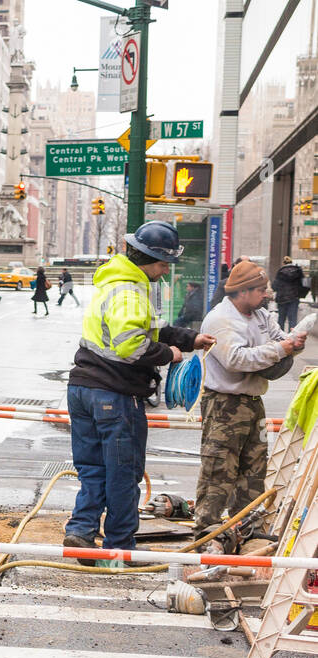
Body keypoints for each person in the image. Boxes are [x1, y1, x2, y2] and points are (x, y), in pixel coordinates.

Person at [63, 221, 216, 565]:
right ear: (148, 258)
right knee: (123, 473)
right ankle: (119, 545)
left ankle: (82, 531)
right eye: (163, 264)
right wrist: (171, 355)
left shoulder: (113, 283)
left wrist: (189, 339)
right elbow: (132, 345)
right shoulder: (130, 291)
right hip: (114, 395)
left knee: (92, 468)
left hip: (83, 388)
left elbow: (150, 329)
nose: (164, 272)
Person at [194, 260, 305, 536]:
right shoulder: (221, 320)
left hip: (252, 401)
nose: (266, 294)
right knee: (219, 468)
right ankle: (207, 529)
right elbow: (236, 359)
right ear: (242, 291)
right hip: (224, 403)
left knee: (255, 468)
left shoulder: (261, 315)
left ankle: (248, 528)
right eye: (260, 290)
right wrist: (280, 349)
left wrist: (289, 345)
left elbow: (279, 341)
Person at [273, 255, 307, 332]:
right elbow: (304, 284)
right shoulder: (298, 271)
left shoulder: (280, 272)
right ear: (291, 262)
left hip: (282, 299)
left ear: (283, 263)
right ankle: (292, 337)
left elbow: (275, 286)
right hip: (294, 298)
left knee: (281, 319)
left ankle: (280, 338)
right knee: (292, 319)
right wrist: (300, 294)